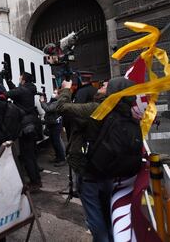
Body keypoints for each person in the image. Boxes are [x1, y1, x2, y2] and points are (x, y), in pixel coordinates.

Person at [56, 77, 136, 242]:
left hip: (90, 172)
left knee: (94, 216)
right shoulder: (125, 111)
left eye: (106, 84)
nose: (102, 84)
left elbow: (62, 108)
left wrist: (66, 89)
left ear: (113, 92)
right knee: (108, 212)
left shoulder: (97, 108)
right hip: (111, 171)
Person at [1, 72, 42, 191]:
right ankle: (36, 179)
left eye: (20, 77)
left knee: (27, 156)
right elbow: (16, 91)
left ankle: (35, 182)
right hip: (32, 124)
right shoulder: (29, 89)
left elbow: (8, 94)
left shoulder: (23, 90)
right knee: (31, 155)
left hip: (25, 126)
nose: (19, 79)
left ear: (23, 80)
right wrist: (8, 80)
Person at [39, 90, 66, 167]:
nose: (53, 94)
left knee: (57, 142)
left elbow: (48, 109)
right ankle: (57, 157)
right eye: (53, 92)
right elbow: (47, 106)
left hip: (56, 125)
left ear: (59, 95)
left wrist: (42, 102)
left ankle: (62, 159)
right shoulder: (53, 101)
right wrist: (43, 100)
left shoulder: (57, 102)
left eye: (55, 93)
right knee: (54, 142)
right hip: (52, 124)